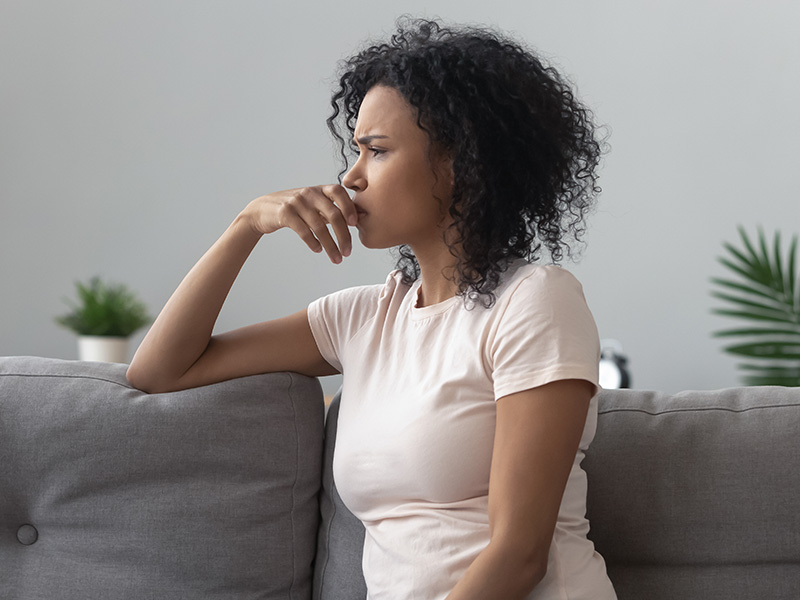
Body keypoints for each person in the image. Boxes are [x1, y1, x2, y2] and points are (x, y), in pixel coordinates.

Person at [127, 17, 616, 600]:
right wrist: (247, 225)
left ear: (464, 165)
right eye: (354, 151)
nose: (350, 177)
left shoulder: (534, 301)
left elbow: (519, 555)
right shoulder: (361, 319)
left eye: (376, 152)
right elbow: (160, 372)